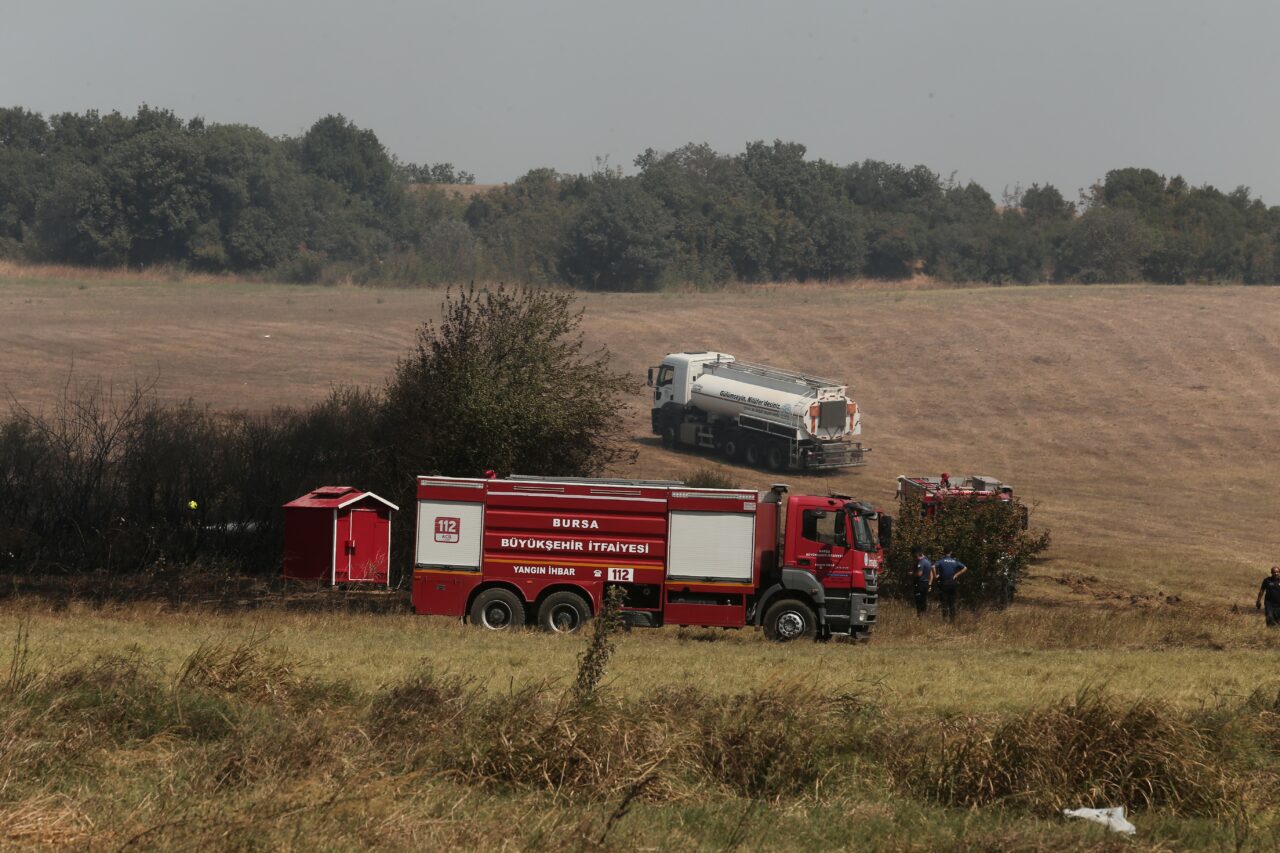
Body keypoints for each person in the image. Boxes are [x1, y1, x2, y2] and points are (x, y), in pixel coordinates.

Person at [934, 548, 968, 622]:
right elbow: (965, 568)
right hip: (952, 584)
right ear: (951, 552)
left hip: (943, 584)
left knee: (944, 602)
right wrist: (956, 575)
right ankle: (952, 620)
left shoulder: (941, 561)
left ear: (943, 552)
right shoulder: (955, 561)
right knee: (952, 602)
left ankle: (944, 620)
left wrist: (935, 576)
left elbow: (933, 567)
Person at [912, 547, 933, 616]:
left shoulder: (921, 562)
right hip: (926, 583)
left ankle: (919, 615)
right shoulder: (928, 561)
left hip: (920, 583)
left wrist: (912, 574)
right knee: (924, 600)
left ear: (917, 554)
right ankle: (924, 614)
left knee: (918, 600)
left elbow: (919, 574)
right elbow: (931, 575)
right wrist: (930, 584)